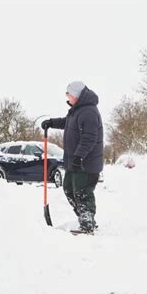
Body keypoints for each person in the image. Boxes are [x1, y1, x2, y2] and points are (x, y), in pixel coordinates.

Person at [41, 81, 104, 233]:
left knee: (82, 192)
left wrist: (79, 157)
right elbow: (67, 122)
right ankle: (85, 218)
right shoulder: (77, 110)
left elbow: (89, 138)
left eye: (68, 93)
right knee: (69, 188)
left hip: (85, 163)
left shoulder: (88, 112)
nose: (67, 96)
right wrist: (51, 123)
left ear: (76, 95)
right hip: (74, 162)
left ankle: (87, 223)